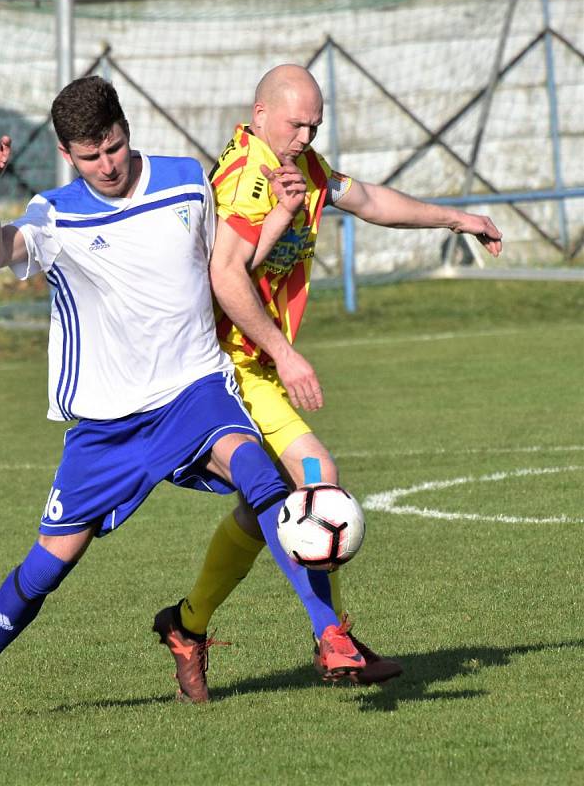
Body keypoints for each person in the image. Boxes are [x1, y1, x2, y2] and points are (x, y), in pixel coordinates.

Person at [0, 75, 376, 725]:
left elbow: (225, 270)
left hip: (194, 389)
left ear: (126, 131)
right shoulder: (55, 211)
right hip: (106, 422)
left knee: (260, 476)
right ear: (68, 154)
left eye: (114, 147)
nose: (105, 165)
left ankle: (328, 634)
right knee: (48, 566)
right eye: (89, 155)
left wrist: (278, 216)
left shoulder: (186, 180)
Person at [154, 64, 503, 698]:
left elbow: (366, 198)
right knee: (318, 478)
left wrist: (455, 218)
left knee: (264, 510)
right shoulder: (245, 179)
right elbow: (224, 277)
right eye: (297, 123)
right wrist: (285, 353)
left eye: (316, 124)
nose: (307, 134)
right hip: (225, 367)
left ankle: (187, 625)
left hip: (252, 362)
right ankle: (333, 636)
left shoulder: (302, 165)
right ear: (260, 115)